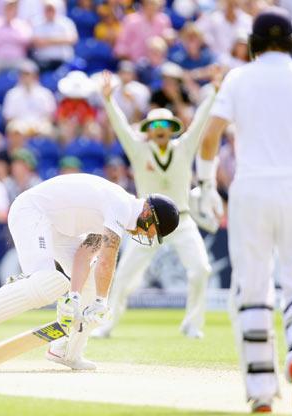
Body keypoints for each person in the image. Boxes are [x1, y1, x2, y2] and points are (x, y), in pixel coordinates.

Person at [195, 10, 292, 414]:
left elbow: (210, 135)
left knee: (252, 291)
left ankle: (262, 390)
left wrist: (205, 184)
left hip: (249, 190)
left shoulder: (237, 78)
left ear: (252, 43)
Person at [0, 173, 180, 369]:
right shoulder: (122, 206)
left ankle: (66, 351)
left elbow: (84, 256)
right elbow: (107, 258)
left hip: (57, 227)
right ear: (150, 214)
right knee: (47, 282)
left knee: (90, 282)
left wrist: (74, 298)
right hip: (32, 212)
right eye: (153, 231)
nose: (149, 236)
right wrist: (101, 302)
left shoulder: (116, 211)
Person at [93, 69, 217, 339]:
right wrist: (109, 101)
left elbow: (199, 123)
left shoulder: (184, 147)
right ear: (149, 131)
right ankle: (107, 324)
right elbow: (122, 129)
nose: (160, 131)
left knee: (201, 269)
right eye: (155, 127)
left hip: (182, 220)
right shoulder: (139, 150)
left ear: (171, 130)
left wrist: (214, 93)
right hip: (145, 223)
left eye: (165, 127)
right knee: (124, 275)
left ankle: (192, 324)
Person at [31, 0, 78, 72]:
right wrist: (60, 40)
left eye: (51, 9)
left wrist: (47, 41)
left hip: (63, 61)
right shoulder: (36, 22)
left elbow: (73, 39)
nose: (49, 12)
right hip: (42, 62)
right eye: (47, 9)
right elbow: (36, 42)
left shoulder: (66, 23)